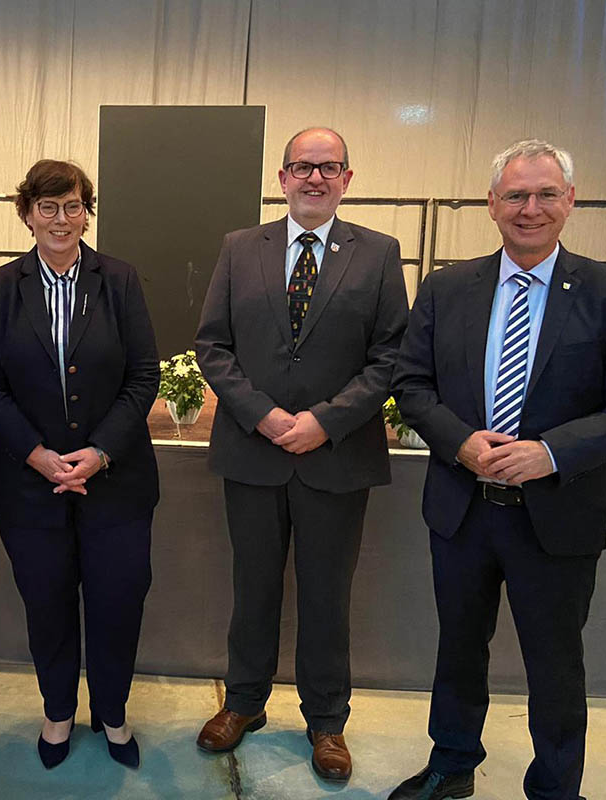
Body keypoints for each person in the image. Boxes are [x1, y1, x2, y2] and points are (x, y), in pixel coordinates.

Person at [388, 140, 606, 800]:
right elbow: (411, 384)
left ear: (570, 201)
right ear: (491, 204)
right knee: (458, 648)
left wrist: (550, 452)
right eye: (515, 195)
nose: (529, 208)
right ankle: (452, 764)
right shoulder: (447, 288)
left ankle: (556, 788)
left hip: (557, 516)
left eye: (545, 195)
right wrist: (459, 443)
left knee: (555, 662)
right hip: (463, 509)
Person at [194, 127, 409, 784]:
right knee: (252, 588)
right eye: (303, 167)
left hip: (335, 458)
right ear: (282, 177)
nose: (315, 178)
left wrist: (326, 421)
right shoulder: (240, 248)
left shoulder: (378, 254)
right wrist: (260, 413)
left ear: (347, 179)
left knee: (326, 596)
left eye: (329, 167)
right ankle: (243, 702)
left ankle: (326, 720)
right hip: (253, 454)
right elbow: (213, 346)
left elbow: (391, 356)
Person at [0, 160, 160, 771]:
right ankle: (57, 711)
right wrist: (36, 454)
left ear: (86, 212)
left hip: (117, 483)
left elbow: (143, 376)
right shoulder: (3, 286)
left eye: (73, 206)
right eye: (48, 207)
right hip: (30, 486)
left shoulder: (119, 280)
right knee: (47, 605)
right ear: (27, 214)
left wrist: (100, 452)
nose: (61, 219)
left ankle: (112, 712)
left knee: (117, 604)